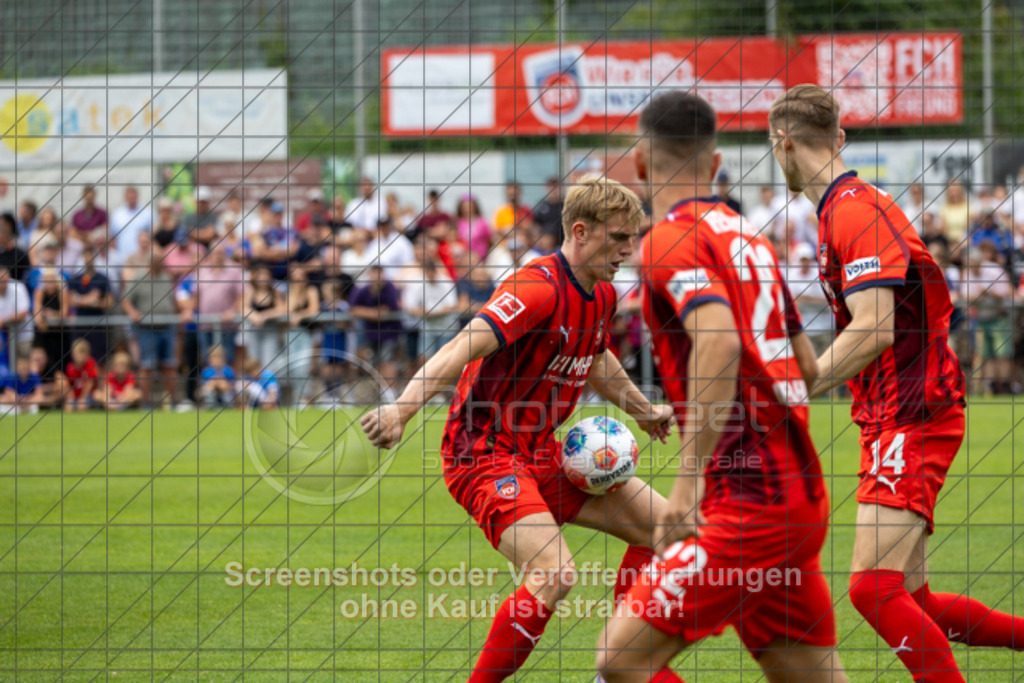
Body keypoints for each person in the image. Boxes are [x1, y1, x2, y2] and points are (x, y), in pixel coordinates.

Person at [361, 178, 675, 682]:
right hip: (482, 454)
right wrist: (402, 409)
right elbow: (460, 347)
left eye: (632, 237)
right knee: (554, 574)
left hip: (541, 452)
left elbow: (595, 358)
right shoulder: (535, 287)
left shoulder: (602, 295)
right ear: (580, 231)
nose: (628, 249)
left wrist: (641, 410)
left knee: (673, 531)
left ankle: (620, 668)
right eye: (618, 237)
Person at [769, 84, 1024, 682]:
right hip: (895, 412)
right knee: (917, 600)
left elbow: (874, 330)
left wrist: (793, 390)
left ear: (781, 142)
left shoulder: (854, 211)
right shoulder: (844, 207)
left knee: (871, 590)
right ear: (839, 136)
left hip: (912, 412)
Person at [597, 91, 844, 683]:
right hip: (796, 494)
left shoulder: (666, 241)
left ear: (638, 164)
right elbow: (806, 365)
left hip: (750, 500)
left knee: (620, 661)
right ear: (715, 165)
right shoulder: (749, 238)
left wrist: (688, 486)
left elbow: (721, 340)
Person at [110, 186, 152, 260]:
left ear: (137, 195)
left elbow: (152, 235)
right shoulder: (117, 214)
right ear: (125, 196)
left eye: (133, 195)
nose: (131, 198)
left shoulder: (147, 212)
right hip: (122, 257)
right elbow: (112, 238)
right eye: (129, 195)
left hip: (143, 259)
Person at [59, 337, 98, 412]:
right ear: (73, 354)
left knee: (82, 406)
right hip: (75, 396)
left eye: (83, 353)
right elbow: (68, 385)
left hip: (88, 396)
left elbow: (90, 383)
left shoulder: (90, 364)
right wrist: (70, 398)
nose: (81, 356)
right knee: (68, 407)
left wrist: (82, 398)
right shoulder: (70, 367)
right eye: (78, 353)